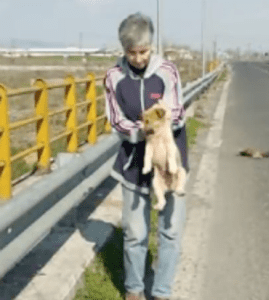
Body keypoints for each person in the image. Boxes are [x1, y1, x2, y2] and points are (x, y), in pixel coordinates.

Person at [104, 12, 188, 300]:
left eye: (144, 51)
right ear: (123, 49)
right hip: (133, 163)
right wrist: (140, 131)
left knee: (171, 232)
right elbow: (116, 120)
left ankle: (162, 292)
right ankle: (134, 290)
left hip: (169, 161)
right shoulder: (114, 77)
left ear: (151, 47)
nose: (139, 58)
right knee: (135, 234)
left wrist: (157, 122)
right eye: (132, 52)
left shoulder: (167, 71)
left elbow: (177, 112)